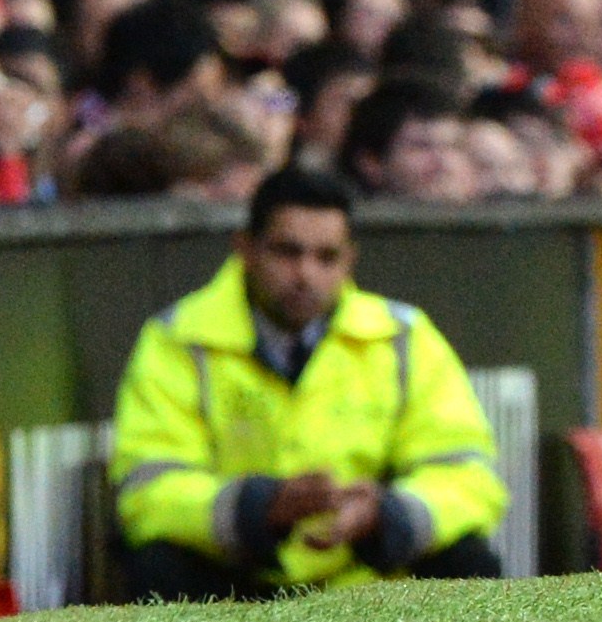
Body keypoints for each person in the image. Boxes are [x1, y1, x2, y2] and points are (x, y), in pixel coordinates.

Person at [110, 165, 508, 596]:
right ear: (245, 248)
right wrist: (258, 509)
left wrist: (386, 515)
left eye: (326, 257)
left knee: (470, 558)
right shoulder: (179, 339)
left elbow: (467, 476)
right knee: (155, 566)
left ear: (350, 259)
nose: (306, 275)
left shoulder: (403, 337)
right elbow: (147, 492)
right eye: (287, 252)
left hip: (372, 577)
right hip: (232, 577)